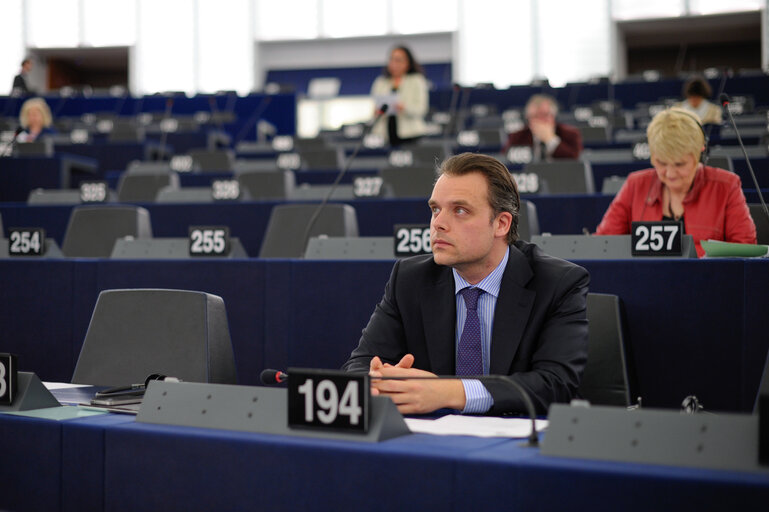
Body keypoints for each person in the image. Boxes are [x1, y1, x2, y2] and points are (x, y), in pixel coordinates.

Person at [343, 153, 589, 416]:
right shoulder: (409, 278)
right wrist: (377, 383)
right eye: (435, 209)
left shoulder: (557, 283)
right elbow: (361, 364)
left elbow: (555, 384)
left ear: (501, 223)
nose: (438, 223)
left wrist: (448, 391)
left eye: (460, 210)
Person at [595, 108, 755, 257]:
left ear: (700, 155)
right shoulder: (635, 184)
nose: (670, 174)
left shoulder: (727, 186)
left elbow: (745, 252)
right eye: (662, 163)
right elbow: (603, 246)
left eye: (680, 164)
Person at [370, 45, 428, 147]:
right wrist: (377, 111)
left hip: (410, 134)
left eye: (398, 60)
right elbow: (374, 109)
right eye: (391, 59)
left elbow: (421, 109)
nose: (394, 64)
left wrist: (404, 107)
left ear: (408, 63)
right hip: (386, 134)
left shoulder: (416, 80)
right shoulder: (381, 82)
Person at [503, 94, 582, 160]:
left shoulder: (571, 134)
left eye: (544, 115)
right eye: (535, 116)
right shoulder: (517, 136)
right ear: (528, 119)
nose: (540, 120)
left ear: (553, 116)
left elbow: (574, 160)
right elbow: (505, 160)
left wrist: (551, 140)